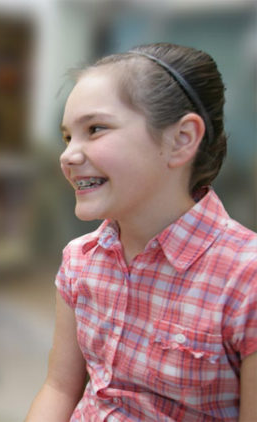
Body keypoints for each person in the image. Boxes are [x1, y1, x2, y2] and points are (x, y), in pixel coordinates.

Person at [26, 43, 256, 421]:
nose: (68, 155)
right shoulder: (79, 260)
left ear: (181, 139)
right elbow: (59, 388)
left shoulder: (246, 279)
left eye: (95, 129)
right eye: (68, 137)